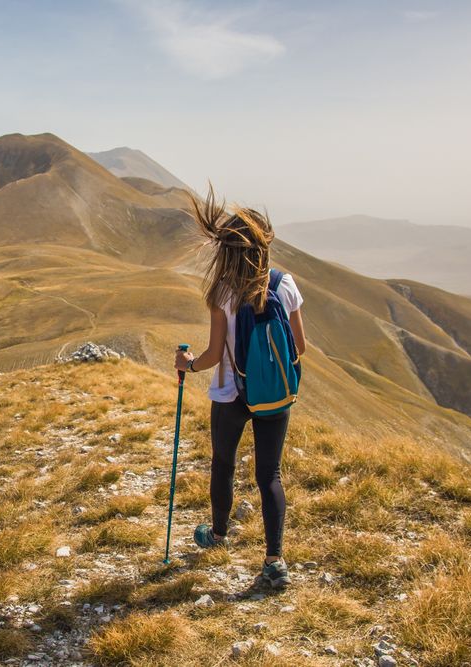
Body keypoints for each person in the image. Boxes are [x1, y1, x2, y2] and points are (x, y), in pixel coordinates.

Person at [174, 186, 307, 589]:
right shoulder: (284, 285)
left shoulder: (221, 293)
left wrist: (189, 364)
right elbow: (300, 346)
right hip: (274, 394)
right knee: (270, 474)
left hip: (231, 394)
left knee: (223, 464)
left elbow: (215, 354)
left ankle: (216, 535)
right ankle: (274, 560)